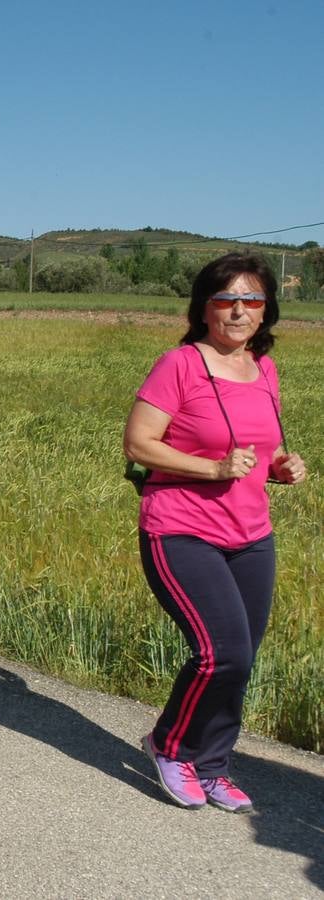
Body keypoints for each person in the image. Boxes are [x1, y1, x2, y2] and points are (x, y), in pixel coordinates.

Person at [124, 253, 305, 813]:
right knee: (219, 652)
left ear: (265, 310)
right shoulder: (180, 364)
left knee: (243, 656)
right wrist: (212, 469)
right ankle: (170, 746)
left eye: (251, 300)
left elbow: (261, 449)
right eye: (226, 299)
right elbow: (139, 444)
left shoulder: (264, 369)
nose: (239, 310)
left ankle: (214, 764)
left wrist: (280, 466)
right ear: (205, 307)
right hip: (180, 528)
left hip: (251, 534)